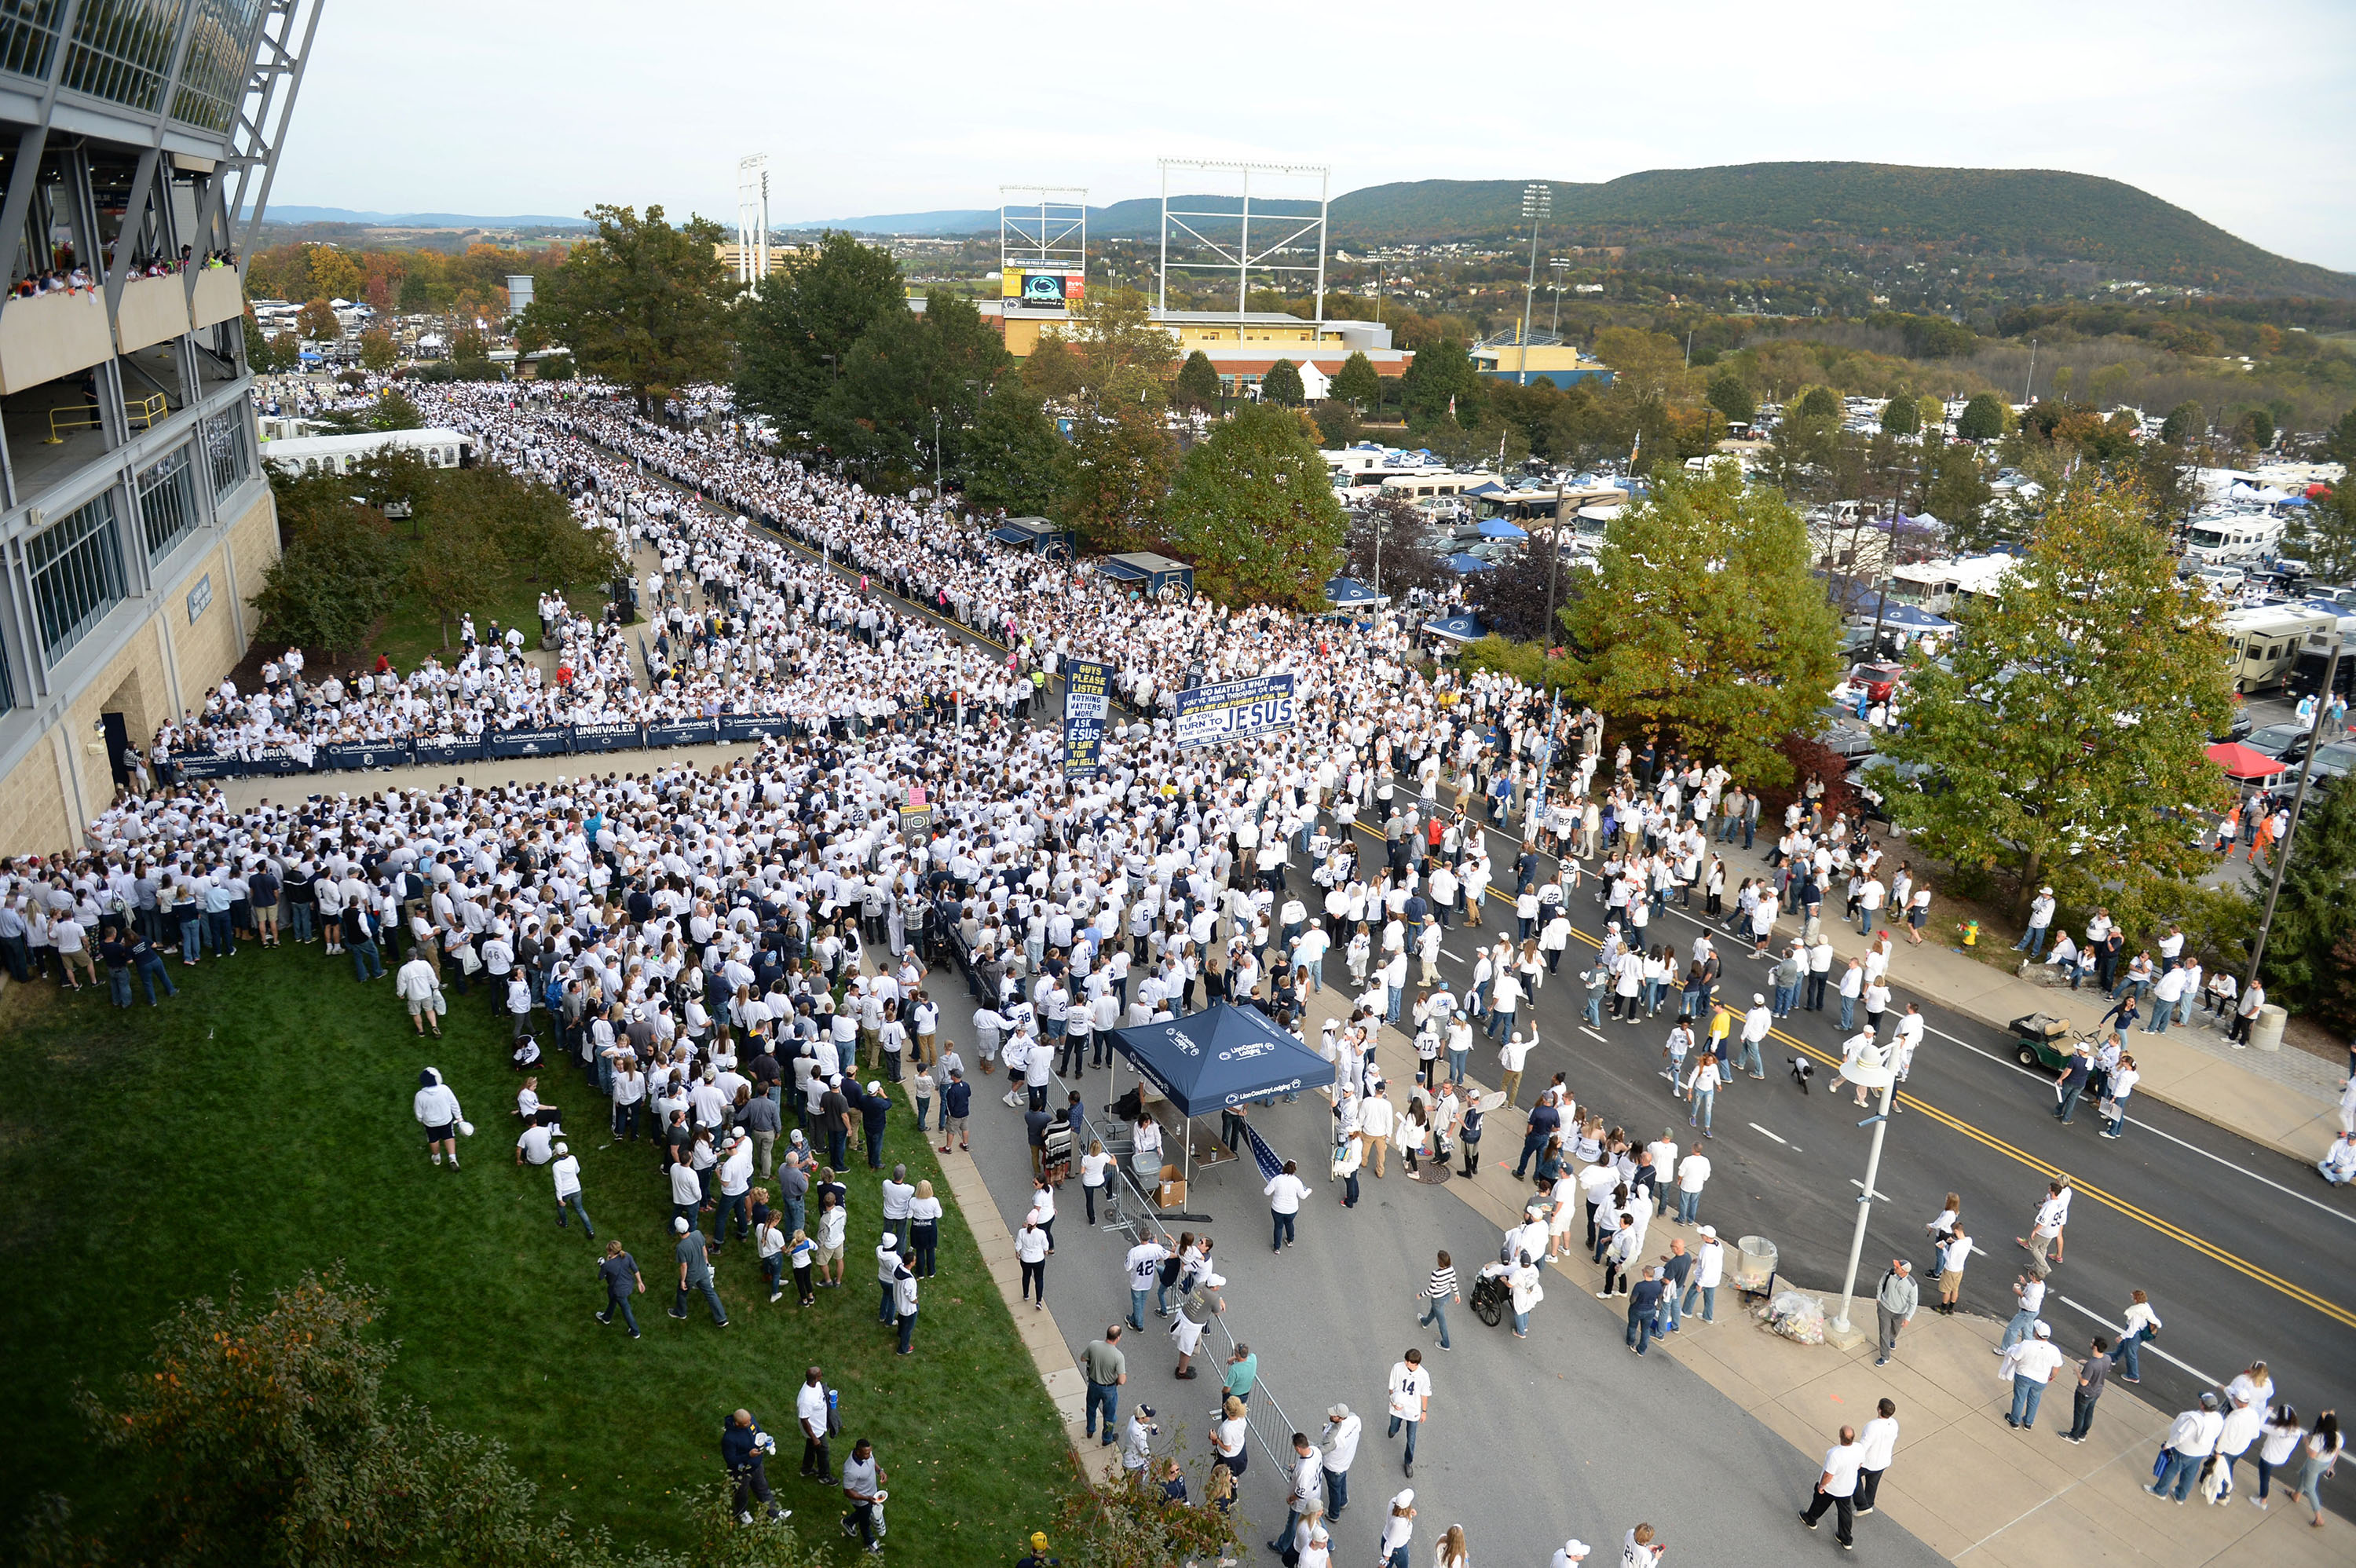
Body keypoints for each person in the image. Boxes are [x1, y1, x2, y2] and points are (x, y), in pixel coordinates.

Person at [2149, 1392, 2226, 1503]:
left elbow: (2181, 1436)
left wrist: (2168, 1445)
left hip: (2184, 1451)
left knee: (2171, 1470)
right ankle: (2180, 1496)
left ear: (2202, 1405)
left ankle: (2160, 1491)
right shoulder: (2218, 1418)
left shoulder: (2194, 1420)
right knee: (2189, 1475)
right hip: (2201, 1452)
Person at [721, 1409, 791, 1526]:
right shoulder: (729, 1439)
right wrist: (748, 1455)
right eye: (747, 1423)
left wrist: (766, 1441)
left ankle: (773, 1513)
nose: (750, 1424)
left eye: (750, 1421)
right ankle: (742, 1512)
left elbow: (758, 1431)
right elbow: (731, 1460)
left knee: (763, 1488)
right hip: (741, 1472)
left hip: (756, 1465)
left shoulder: (750, 1420)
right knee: (741, 1492)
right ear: (738, 1424)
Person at [1798, 1424, 1863, 1548]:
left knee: (1819, 1502)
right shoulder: (1859, 1448)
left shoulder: (1834, 1454)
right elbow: (1860, 1465)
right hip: (1848, 1487)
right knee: (1845, 1513)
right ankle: (1846, 1538)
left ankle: (1810, 1519)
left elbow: (1829, 1474)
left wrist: (1822, 1486)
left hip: (1832, 1488)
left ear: (1840, 1437)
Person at [1998, 1321, 2063, 1429]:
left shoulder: (2026, 1344)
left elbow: (2015, 1357)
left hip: (2024, 1375)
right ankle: (2028, 1423)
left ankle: (2015, 1421)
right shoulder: (2054, 1350)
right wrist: (2052, 1376)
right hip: (2041, 1380)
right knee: (2034, 1401)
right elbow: (2057, 1366)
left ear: (2037, 1333)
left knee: (2019, 1399)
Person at [671, 1215, 727, 1327]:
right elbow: (704, 1250)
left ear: (677, 1230)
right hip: (703, 1270)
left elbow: (684, 1266)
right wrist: (706, 1262)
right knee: (710, 1293)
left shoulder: (681, 1247)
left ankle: (681, 1313)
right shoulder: (697, 1234)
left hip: (691, 1276)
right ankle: (722, 1319)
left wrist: (683, 1281)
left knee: (682, 1293)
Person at [1385, 1348, 1431, 1477]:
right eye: (1405, 1360)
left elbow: (1425, 1394)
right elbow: (1391, 1387)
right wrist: (1394, 1402)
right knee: (1393, 1429)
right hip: (1398, 1408)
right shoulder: (1397, 1367)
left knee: (1411, 1438)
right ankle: (1393, 1430)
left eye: (1408, 1362)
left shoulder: (1423, 1375)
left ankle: (1408, 1462)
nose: (1405, 1363)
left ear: (1415, 1363)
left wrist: (1424, 1411)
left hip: (1413, 1411)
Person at [2292, 1411, 2341, 1527]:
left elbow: (2312, 1454)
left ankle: (2319, 1517)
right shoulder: (2338, 1437)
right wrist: (2331, 1466)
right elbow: (2337, 1452)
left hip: (2315, 1464)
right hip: (2326, 1463)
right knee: (2303, 1473)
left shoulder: (2319, 1438)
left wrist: (2306, 1442)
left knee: (2310, 1489)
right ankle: (2296, 1495)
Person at [840, 1437, 887, 1554]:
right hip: (862, 1500)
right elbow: (847, 1491)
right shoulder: (851, 1470)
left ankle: (848, 1522)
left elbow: (872, 1461)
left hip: (871, 1494)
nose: (869, 1454)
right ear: (858, 1452)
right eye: (867, 1453)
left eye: (870, 1452)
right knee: (865, 1522)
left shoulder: (866, 1454)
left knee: (862, 1514)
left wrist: (880, 1471)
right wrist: (866, 1498)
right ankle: (871, 1543)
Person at [413, 1067, 464, 1168]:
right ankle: (452, 1158)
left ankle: (436, 1158)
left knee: (433, 1139)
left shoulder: (420, 1095)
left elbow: (418, 1111)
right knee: (449, 1136)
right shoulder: (445, 1089)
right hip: (445, 1120)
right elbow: (454, 1103)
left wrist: (420, 1119)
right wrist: (459, 1117)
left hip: (430, 1123)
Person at [1083, 1326, 1126, 1445]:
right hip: (1109, 1389)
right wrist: (1116, 1382)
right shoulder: (1118, 1356)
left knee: (1091, 1408)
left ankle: (1090, 1430)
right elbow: (1122, 1380)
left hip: (1093, 1384)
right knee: (1109, 1416)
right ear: (1118, 1338)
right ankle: (1106, 1439)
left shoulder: (1094, 1345)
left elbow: (1083, 1358)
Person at [1856, 1398, 1899, 1513]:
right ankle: (1869, 1503)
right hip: (1883, 1461)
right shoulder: (1894, 1423)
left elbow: (1864, 1445)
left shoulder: (1872, 1426)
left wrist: (1857, 1460)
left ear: (1879, 1409)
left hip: (1868, 1462)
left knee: (1853, 1477)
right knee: (1872, 1484)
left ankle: (1862, 1505)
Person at [2063, 1336, 2109, 1443]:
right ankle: (2083, 1434)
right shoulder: (2107, 1359)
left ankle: (2074, 1435)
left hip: (2085, 1393)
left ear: (2095, 1347)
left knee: (2079, 1414)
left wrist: (2077, 1371)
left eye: (2092, 1342)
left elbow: (2084, 1382)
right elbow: (2101, 1367)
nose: (2090, 1343)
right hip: (2097, 1391)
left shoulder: (2092, 1364)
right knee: (2089, 1412)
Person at [594, 1239, 644, 1338]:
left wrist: (603, 1265)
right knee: (613, 1299)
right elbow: (635, 1269)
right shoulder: (627, 1255)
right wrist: (640, 1282)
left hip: (618, 1290)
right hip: (628, 1285)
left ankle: (635, 1331)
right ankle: (606, 1318)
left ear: (611, 1252)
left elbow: (600, 1277)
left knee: (626, 1309)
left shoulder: (607, 1265)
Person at [1873, 1258, 1917, 1369]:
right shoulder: (1889, 1273)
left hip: (1899, 1313)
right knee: (1884, 1333)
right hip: (1884, 1308)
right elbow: (1881, 1283)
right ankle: (1885, 1356)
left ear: (1904, 1271)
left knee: (1895, 1330)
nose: (1895, 1268)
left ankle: (1892, 1339)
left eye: (1898, 1267)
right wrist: (1879, 1298)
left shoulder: (1912, 1285)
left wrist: (1908, 1318)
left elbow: (1913, 1303)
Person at [1321, 1403, 1360, 1519]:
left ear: (1341, 1418)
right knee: (1341, 1480)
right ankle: (1343, 1501)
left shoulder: (1337, 1436)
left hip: (1333, 1466)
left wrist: (1307, 1444)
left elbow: (1324, 1449)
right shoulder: (1356, 1420)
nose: (1331, 1416)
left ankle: (1334, 1514)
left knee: (1334, 1490)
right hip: (1345, 1461)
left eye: (1334, 1416)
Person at [796, 1365, 834, 1482]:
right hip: (815, 1429)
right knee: (823, 1452)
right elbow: (804, 1419)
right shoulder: (806, 1399)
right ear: (817, 1377)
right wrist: (814, 1437)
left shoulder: (815, 1384)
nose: (822, 1376)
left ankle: (806, 1469)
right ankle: (824, 1476)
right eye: (821, 1374)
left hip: (819, 1425)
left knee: (811, 1447)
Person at [1418, 1250, 1459, 1351]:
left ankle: (1446, 1344)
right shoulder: (1451, 1269)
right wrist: (1457, 1294)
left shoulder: (1436, 1274)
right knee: (1435, 1311)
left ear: (1439, 1262)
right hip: (1446, 1296)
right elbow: (1453, 1282)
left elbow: (1431, 1289)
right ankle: (1425, 1322)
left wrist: (1421, 1295)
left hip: (1437, 1299)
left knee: (1442, 1322)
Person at [1267, 1158, 1312, 1250]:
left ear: (1284, 1167)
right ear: (1294, 1169)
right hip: (1292, 1210)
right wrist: (1309, 1191)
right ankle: (1290, 1240)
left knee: (1278, 1227)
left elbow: (1267, 1192)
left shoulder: (1277, 1179)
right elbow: (1302, 1196)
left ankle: (1277, 1248)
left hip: (1277, 1209)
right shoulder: (1297, 1181)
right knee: (1289, 1223)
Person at [550, 1140, 592, 1237]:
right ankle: (590, 1230)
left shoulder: (556, 1166)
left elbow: (558, 1183)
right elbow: (577, 1170)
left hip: (564, 1192)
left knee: (561, 1207)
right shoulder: (573, 1158)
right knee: (580, 1209)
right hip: (576, 1188)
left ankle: (564, 1223)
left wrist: (559, 1198)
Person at [1015, 1213, 1049, 1310]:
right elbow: (1046, 1246)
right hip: (1038, 1260)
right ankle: (1038, 1301)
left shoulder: (1021, 1232)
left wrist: (1017, 1253)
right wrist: (1045, 1251)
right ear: (1036, 1223)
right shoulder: (1041, 1233)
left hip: (1025, 1259)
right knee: (1039, 1279)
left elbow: (1018, 1245)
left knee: (1026, 1276)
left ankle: (1026, 1295)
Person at [1377, 1490, 1416, 1568]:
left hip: (1385, 1538)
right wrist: (1385, 1560)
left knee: (1389, 1563)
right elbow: (1391, 1541)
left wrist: (1409, 1514)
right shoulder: (1400, 1523)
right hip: (1397, 1549)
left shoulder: (1393, 1501)